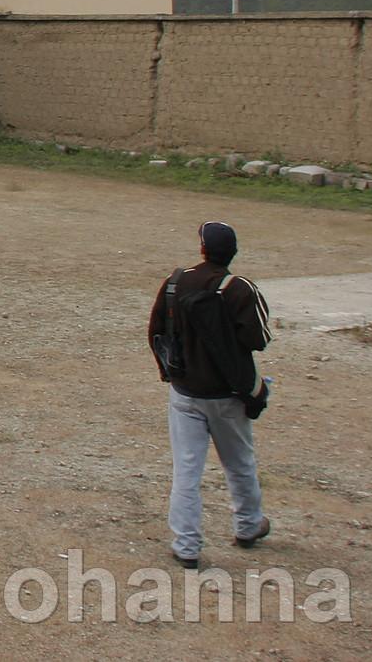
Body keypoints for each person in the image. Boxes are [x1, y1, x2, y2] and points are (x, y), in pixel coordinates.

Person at [147, 221, 273, 568]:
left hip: (185, 391)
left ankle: (186, 546)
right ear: (232, 253)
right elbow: (257, 339)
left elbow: (156, 332)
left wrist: (168, 373)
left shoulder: (176, 282)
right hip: (228, 394)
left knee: (187, 471)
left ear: (202, 248)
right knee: (239, 463)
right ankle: (248, 525)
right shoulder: (239, 289)